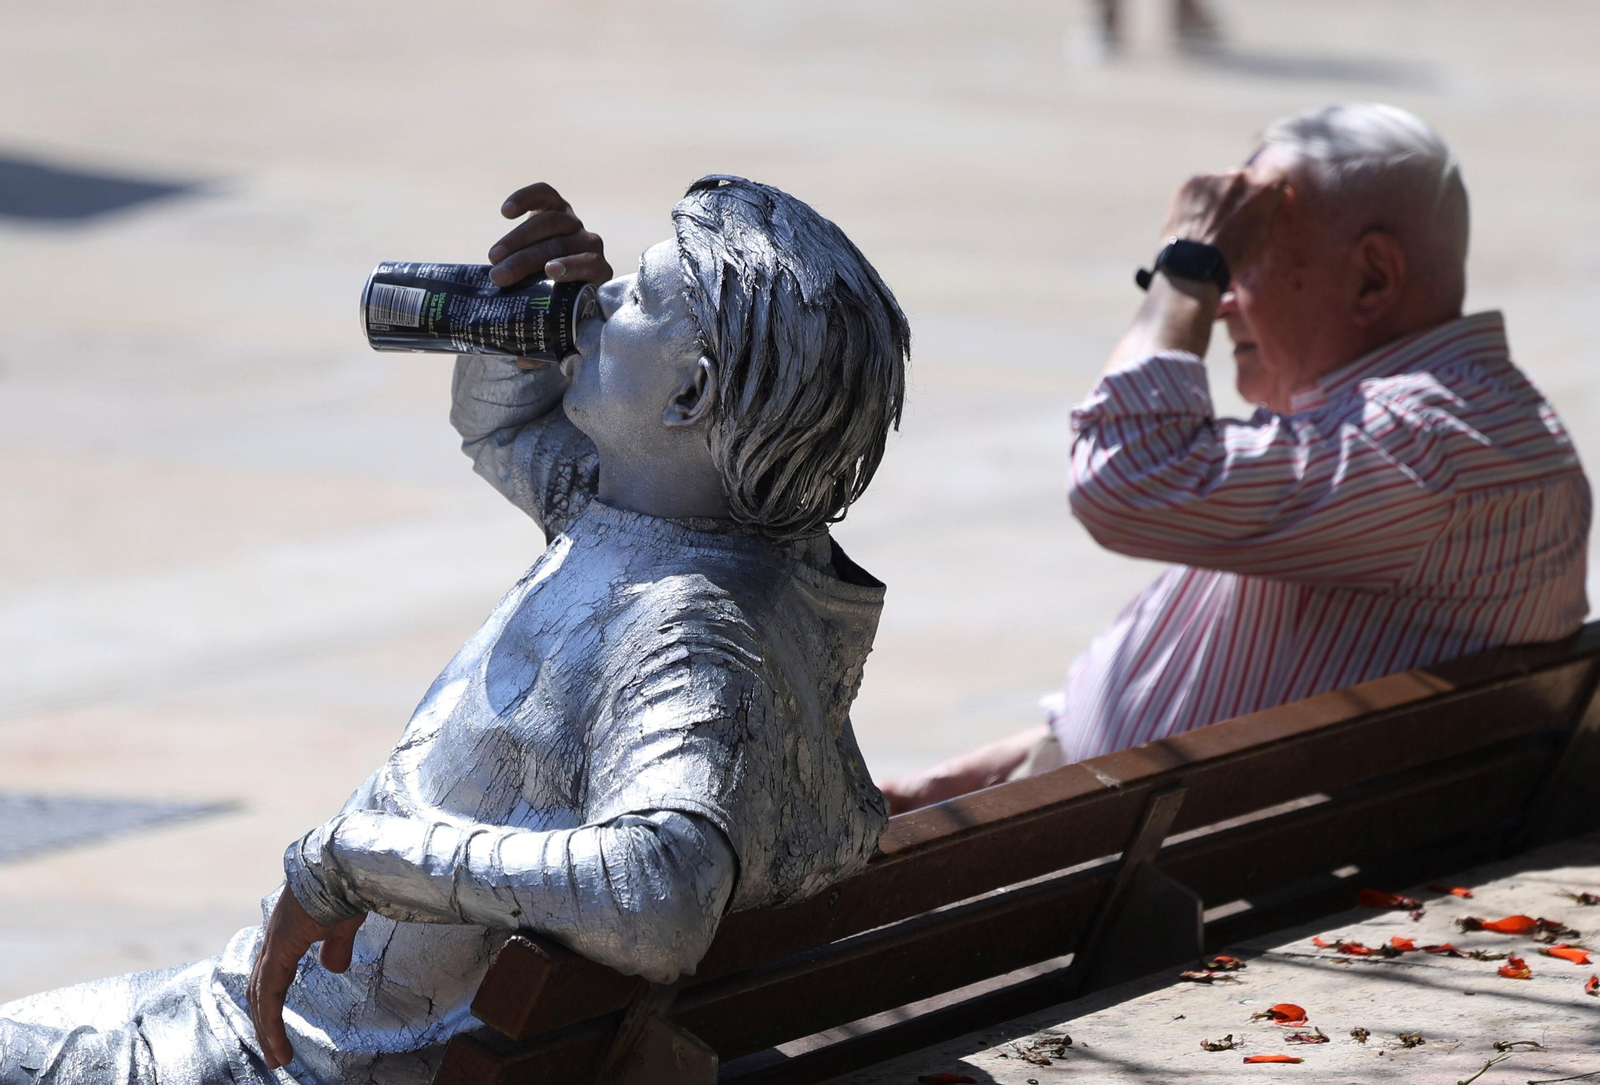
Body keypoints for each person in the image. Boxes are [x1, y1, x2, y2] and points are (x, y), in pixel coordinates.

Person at [0, 175, 910, 1084]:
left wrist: (358, 860)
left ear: (690, 393)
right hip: (274, 1018)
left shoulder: (691, 633)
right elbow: (501, 430)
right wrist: (528, 321)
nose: (600, 297)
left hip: (291, 1059)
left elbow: (660, 892)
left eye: (637, 295)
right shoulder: (699, 535)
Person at [883, 103, 1590, 813]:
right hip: (1115, 837)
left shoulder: (1433, 447)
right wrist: (944, 788)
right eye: (1221, 271)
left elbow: (1120, 478)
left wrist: (1187, 265)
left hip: (1140, 864)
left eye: (1243, 264)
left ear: (1374, 278)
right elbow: (1185, 673)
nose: (1218, 306)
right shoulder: (1418, 432)